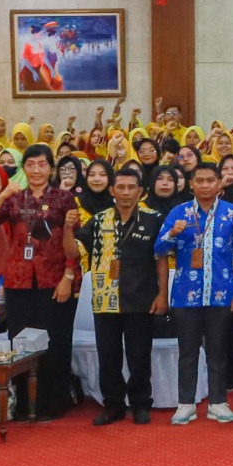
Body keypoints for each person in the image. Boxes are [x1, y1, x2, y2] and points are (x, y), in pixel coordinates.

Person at [0, 144, 78, 419]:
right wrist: (3, 193)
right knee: (21, 343)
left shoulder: (64, 199)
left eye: (42, 164)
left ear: (51, 168)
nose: (36, 170)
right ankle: (23, 404)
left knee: (55, 342)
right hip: (19, 281)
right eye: (30, 164)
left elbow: (75, 244)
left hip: (55, 280)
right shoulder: (14, 199)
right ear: (23, 168)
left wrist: (68, 276)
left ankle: (52, 403)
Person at [155, 160, 233, 425]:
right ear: (191, 184)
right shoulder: (178, 213)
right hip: (185, 294)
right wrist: (172, 233)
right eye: (200, 181)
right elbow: (158, 250)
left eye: (210, 180)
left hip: (221, 292)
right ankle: (185, 404)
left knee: (218, 350)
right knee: (187, 351)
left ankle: (218, 402)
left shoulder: (232, 214)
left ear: (219, 184)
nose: (205, 185)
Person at [78, 165, 162, 425]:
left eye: (131, 187)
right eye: (121, 187)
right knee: (108, 356)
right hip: (105, 298)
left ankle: (140, 403)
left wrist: (162, 294)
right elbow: (75, 250)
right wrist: (67, 231)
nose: (126, 192)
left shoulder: (154, 219)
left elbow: (161, 258)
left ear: (141, 191)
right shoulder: (98, 220)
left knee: (140, 356)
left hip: (141, 297)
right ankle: (113, 405)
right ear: (112, 190)